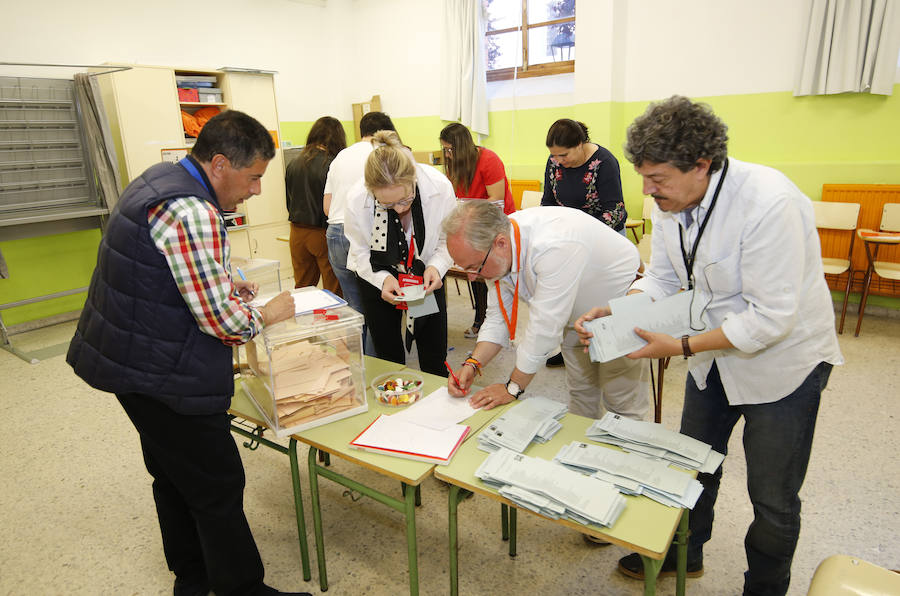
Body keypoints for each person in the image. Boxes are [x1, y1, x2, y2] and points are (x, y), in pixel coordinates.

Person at [575, 96, 843, 595]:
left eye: (658, 180)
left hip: (782, 367)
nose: (647, 191)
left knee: (772, 497)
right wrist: (618, 309)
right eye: (644, 178)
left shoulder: (768, 203)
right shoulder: (670, 202)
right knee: (693, 464)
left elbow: (771, 319)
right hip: (710, 355)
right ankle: (686, 554)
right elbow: (658, 275)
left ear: (702, 164)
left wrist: (679, 346)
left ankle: (764, 588)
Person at [66, 110, 309, 596]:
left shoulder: (162, 179)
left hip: (128, 360)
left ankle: (192, 577)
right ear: (220, 164)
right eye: (254, 177)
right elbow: (226, 324)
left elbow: (165, 269)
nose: (257, 190)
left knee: (172, 474)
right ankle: (241, 588)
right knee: (217, 483)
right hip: (164, 374)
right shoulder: (193, 211)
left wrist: (224, 279)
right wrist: (271, 312)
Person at [444, 201, 649, 423]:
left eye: (474, 267)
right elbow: (497, 318)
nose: (472, 277)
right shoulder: (497, 248)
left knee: (621, 404)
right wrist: (473, 364)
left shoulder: (555, 244)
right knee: (581, 393)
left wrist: (513, 388)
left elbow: (544, 328)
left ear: (500, 243)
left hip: (616, 307)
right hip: (574, 315)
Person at [343, 130, 457, 376]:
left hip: (424, 274)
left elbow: (448, 240)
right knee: (387, 353)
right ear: (371, 190)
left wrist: (436, 267)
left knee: (433, 350)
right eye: (387, 205)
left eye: (406, 199)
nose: (399, 209)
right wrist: (383, 279)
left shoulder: (439, 187)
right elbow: (359, 252)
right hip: (380, 276)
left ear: (413, 177)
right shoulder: (356, 198)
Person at [541, 118, 629, 367]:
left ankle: (606, 349)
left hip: (604, 238)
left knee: (600, 299)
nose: (559, 161)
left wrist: (584, 233)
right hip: (571, 239)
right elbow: (548, 201)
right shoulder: (553, 162)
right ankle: (571, 348)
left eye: (564, 155)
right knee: (571, 298)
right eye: (554, 156)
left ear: (580, 144)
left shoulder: (605, 162)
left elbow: (616, 210)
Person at [323, 111, 396, 355]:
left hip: (334, 232)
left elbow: (327, 205)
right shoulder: (382, 154)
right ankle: (377, 365)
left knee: (353, 306)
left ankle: (358, 363)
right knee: (375, 306)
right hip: (366, 231)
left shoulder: (340, 156)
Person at [439, 122, 515, 340]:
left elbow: (497, 198)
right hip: (472, 224)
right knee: (476, 273)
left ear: (461, 146)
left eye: (450, 149)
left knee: (496, 278)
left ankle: (497, 324)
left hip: (495, 223)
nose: (447, 154)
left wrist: (466, 210)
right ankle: (481, 320)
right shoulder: (455, 165)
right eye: (445, 149)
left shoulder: (489, 160)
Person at [285, 115, 345, 292]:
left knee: (303, 287)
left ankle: (304, 319)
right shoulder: (333, 164)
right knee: (333, 287)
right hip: (322, 233)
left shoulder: (293, 163)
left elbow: (288, 201)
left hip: (296, 232)